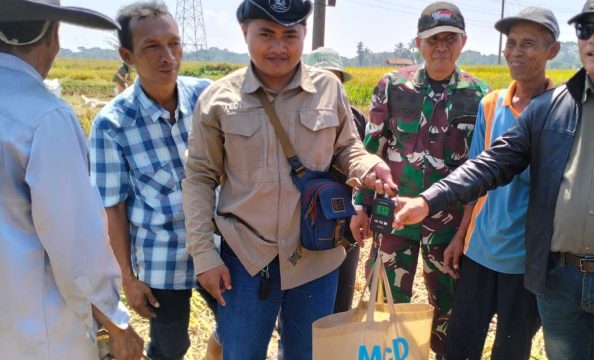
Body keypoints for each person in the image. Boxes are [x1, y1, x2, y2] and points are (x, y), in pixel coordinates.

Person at [393, 0, 594, 359]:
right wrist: (429, 200)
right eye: (586, 29)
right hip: (560, 283)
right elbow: (492, 163)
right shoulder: (550, 108)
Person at [182, 1, 396, 359]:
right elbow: (200, 178)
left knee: (307, 355)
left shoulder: (329, 89)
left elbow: (348, 149)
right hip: (247, 260)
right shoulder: (218, 100)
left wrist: (369, 167)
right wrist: (204, 256)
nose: (278, 47)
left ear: (304, 35)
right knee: (241, 353)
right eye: (266, 34)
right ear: (244, 33)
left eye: (289, 35)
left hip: (316, 258)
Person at [0, 1, 144, 359]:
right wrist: (115, 323)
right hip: (35, 333)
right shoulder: (45, 116)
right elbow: (76, 242)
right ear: (52, 35)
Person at [349, 1, 490, 356]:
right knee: (383, 308)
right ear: (418, 43)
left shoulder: (479, 95)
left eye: (449, 39)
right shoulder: (393, 86)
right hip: (392, 219)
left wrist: (464, 231)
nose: (441, 47)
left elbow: (480, 169)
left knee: (449, 313)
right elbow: (372, 148)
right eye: (433, 40)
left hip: (447, 223)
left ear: (463, 42)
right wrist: (361, 208)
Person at [88, 2, 218, 359]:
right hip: (162, 260)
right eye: (152, 46)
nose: (168, 56)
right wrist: (129, 279)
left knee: (238, 327)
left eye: (174, 44)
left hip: (217, 251)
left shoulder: (207, 97)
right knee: (171, 347)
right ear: (127, 55)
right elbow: (112, 210)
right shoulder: (112, 124)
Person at [443, 7, 560, 360]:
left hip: (525, 259)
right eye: (511, 43)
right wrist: (461, 235)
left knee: (511, 349)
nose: (516, 52)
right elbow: (475, 176)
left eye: (529, 44)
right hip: (480, 250)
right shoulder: (491, 105)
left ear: (552, 51)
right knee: (460, 345)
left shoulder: (563, 111)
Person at [304, 46, 367, 313]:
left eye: (334, 80)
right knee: (302, 310)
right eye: (321, 79)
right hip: (304, 229)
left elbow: (362, 168)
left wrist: (362, 208)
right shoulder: (293, 119)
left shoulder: (357, 120)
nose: (328, 87)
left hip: (343, 228)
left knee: (341, 307)